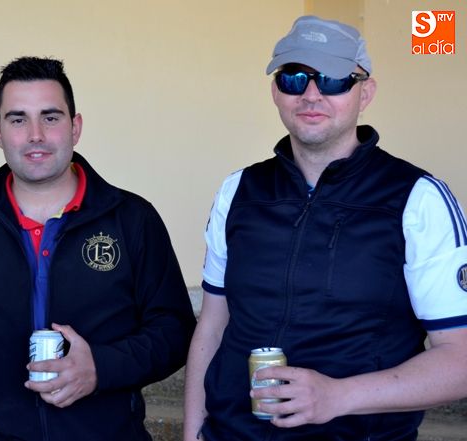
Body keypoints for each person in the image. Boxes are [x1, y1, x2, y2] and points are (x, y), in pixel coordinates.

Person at [183, 15, 467, 441]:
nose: (311, 94)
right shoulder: (239, 191)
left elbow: (460, 360)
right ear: (275, 92)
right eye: (294, 78)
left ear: (365, 92)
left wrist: (338, 396)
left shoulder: (418, 198)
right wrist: (192, 433)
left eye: (334, 79)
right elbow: (212, 326)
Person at [0, 56, 196, 441]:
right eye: (18, 119)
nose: (35, 134)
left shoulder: (132, 219)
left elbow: (174, 331)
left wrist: (101, 368)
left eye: (50, 117)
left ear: (76, 127)